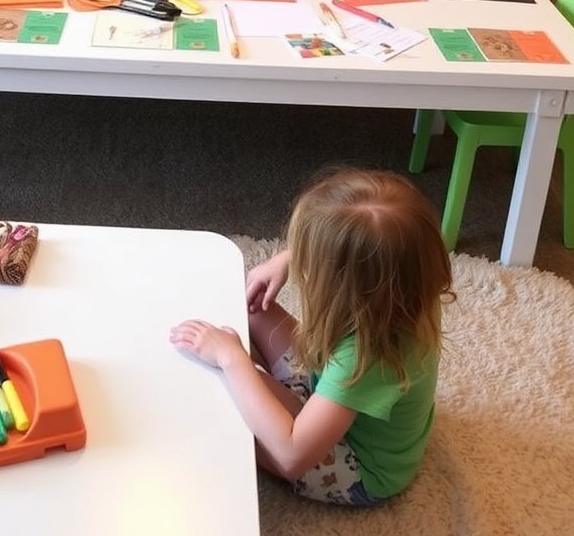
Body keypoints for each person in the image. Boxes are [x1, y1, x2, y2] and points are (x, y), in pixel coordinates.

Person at [170, 168, 453, 508]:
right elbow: (369, 253)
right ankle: (253, 375)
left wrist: (233, 360)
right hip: (330, 387)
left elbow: (291, 455)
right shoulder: (408, 288)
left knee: (224, 391)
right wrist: (285, 259)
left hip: (357, 468)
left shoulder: (369, 355)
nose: (302, 270)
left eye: (308, 261)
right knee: (247, 305)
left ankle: (241, 373)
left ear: (340, 283)